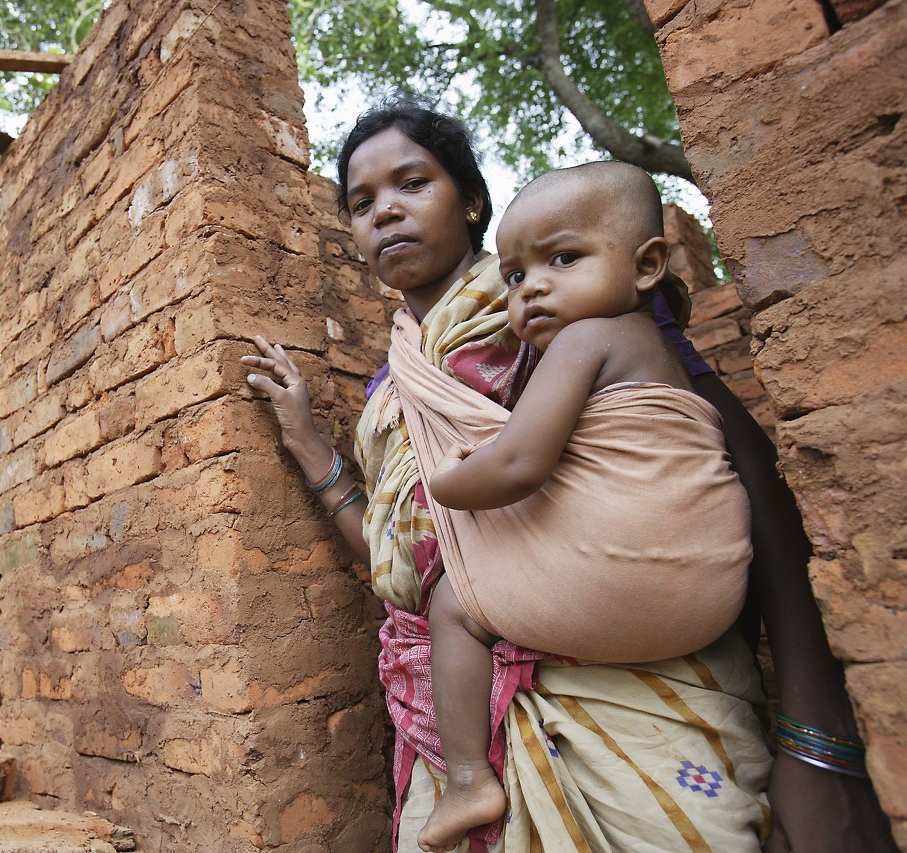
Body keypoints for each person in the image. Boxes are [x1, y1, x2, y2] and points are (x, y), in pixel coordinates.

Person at [242, 102, 894, 851]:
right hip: (449, 696)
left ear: (472, 201)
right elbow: (408, 564)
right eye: (362, 203)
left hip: (628, 671)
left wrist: (820, 739)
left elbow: (735, 469)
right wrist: (307, 443)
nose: (385, 210)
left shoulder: (576, 299)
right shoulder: (394, 386)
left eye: (413, 183)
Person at [414, 161, 754, 851]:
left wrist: (448, 482)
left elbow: (516, 462)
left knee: (451, 603)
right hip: (711, 599)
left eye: (563, 258)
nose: (532, 285)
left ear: (648, 264)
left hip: (615, 591)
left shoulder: (586, 338)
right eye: (513, 276)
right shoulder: (654, 349)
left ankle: (469, 779)